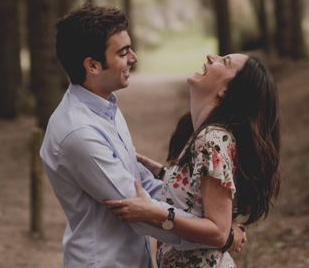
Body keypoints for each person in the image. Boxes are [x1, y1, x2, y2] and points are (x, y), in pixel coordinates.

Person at [40, 4, 246, 268]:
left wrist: (212, 221)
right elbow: (137, 211)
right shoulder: (78, 132)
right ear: (92, 65)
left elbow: (144, 188)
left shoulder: (105, 108)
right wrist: (220, 236)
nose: (134, 58)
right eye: (123, 52)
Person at [105, 52, 280, 268]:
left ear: (227, 92)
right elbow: (200, 200)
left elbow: (218, 232)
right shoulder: (202, 133)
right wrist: (161, 172)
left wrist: (155, 213)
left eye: (224, 62)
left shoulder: (211, 139)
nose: (211, 57)